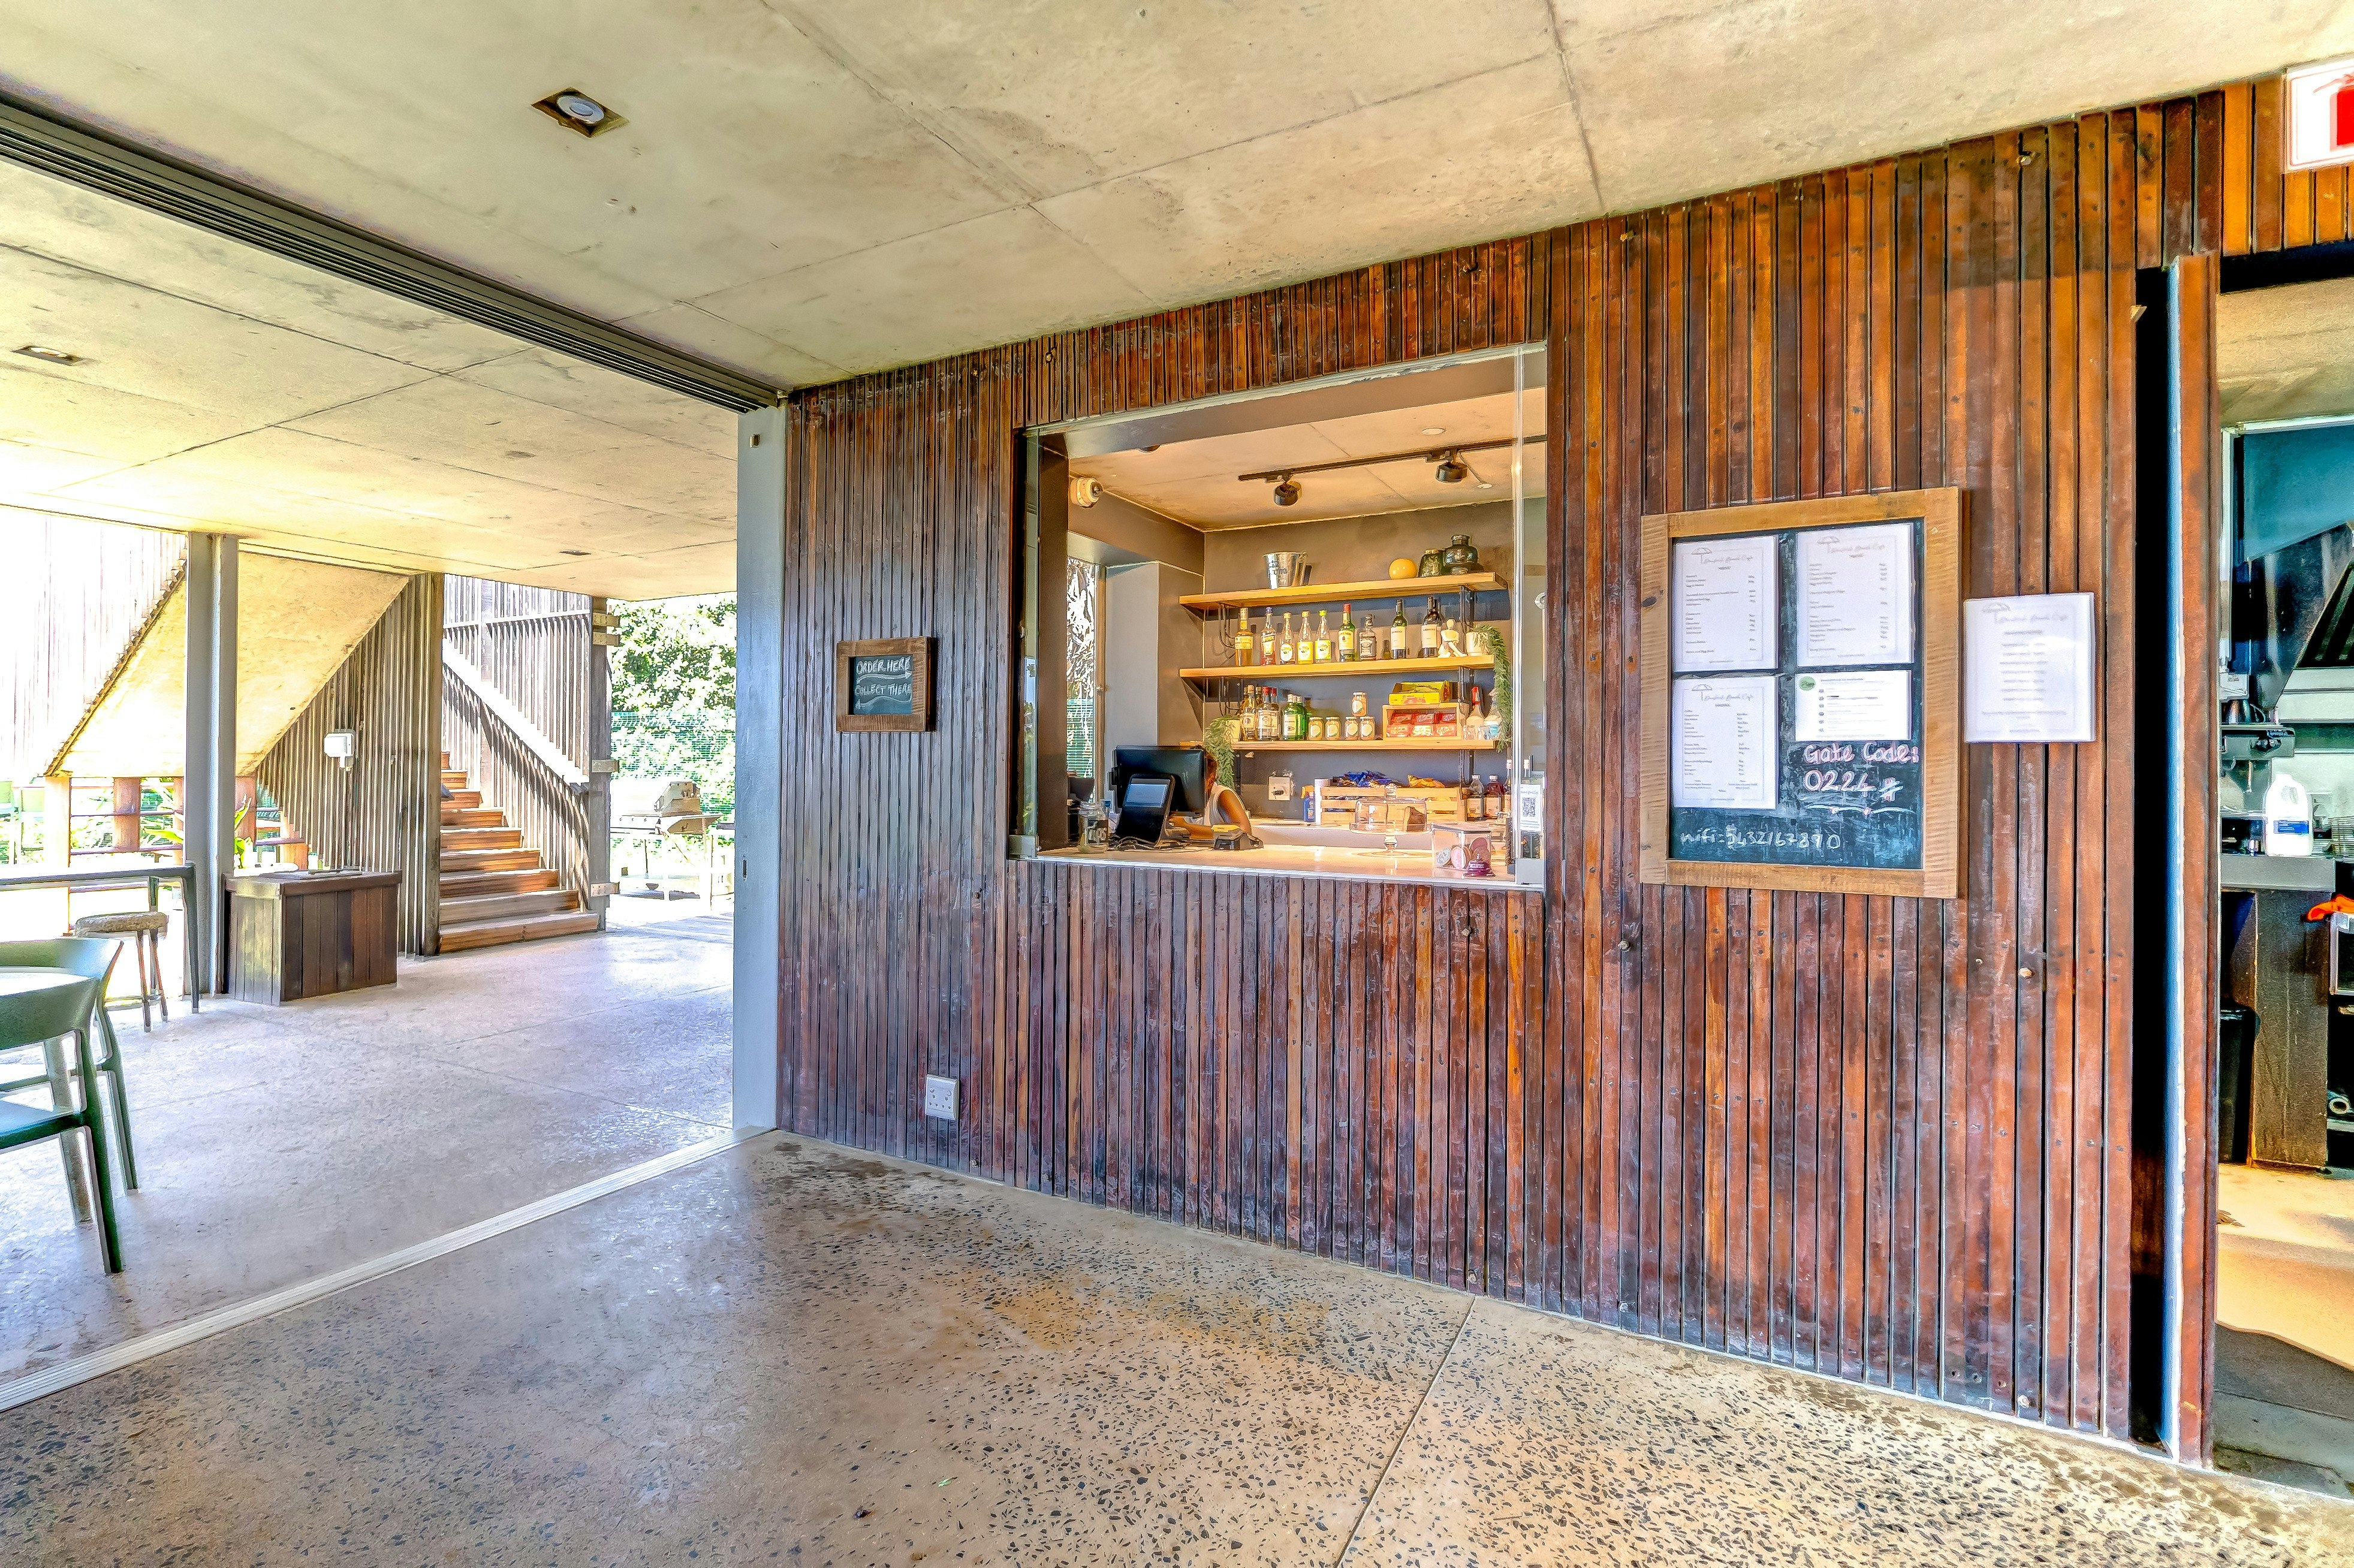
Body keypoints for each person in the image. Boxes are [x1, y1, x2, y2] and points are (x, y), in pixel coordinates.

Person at [1176, 749, 1252, 841]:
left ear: (1210, 782)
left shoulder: (1222, 796)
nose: (1186, 784)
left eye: (1192, 780)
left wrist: (1185, 827)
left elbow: (1244, 832)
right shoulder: (1179, 798)